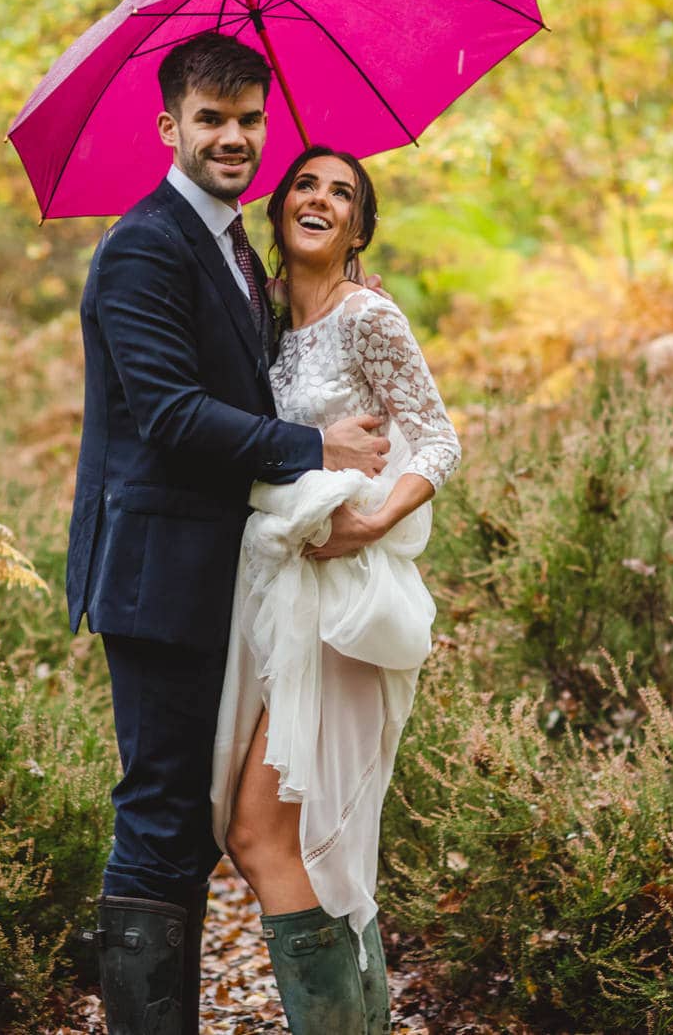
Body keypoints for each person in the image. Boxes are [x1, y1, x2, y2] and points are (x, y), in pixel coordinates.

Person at [68, 32, 392, 1034]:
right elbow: (166, 414)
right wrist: (314, 445)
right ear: (168, 126)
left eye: (250, 119)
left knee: (218, 823)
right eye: (211, 119)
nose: (234, 137)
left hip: (234, 578)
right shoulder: (141, 246)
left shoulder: (234, 246)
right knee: (160, 821)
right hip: (160, 578)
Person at [209, 146, 460, 1034]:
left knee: (263, 834)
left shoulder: (370, 318)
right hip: (278, 594)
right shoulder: (263, 323)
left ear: (358, 226)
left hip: (348, 599)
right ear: (279, 212)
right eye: (306, 185)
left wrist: (374, 519)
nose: (320, 198)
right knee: (308, 842)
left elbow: (437, 441)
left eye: (341, 192)